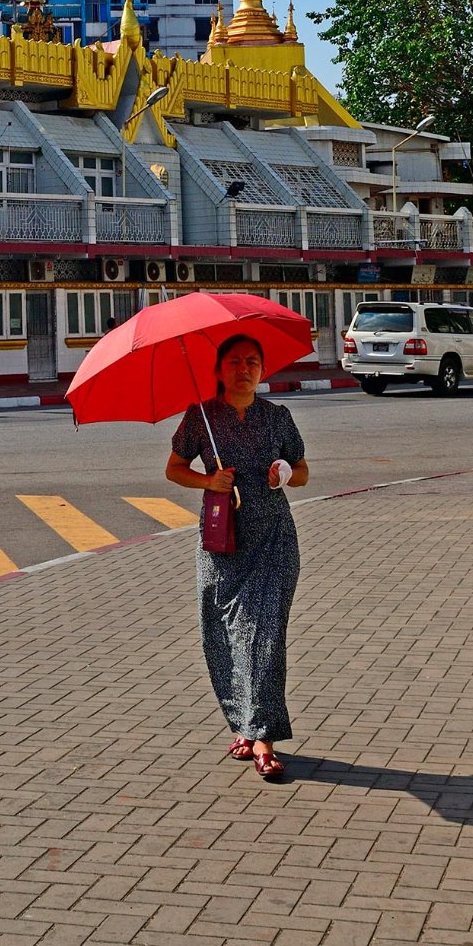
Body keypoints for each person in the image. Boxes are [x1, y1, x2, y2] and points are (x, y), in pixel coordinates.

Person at [165, 333, 309, 781]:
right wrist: (208, 482)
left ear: (262, 370)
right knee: (224, 637)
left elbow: (302, 472)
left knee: (263, 638)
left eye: (252, 361)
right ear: (219, 369)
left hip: (273, 543)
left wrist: (285, 472)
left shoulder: (278, 418)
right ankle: (245, 724)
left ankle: (264, 738)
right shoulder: (200, 418)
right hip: (222, 542)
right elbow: (173, 468)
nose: (243, 369)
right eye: (233, 361)